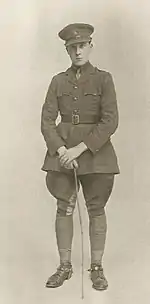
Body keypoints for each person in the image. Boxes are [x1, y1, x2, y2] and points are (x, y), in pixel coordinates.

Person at [41, 23, 120, 291]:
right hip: (62, 153)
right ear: (67, 49)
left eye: (82, 46)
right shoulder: (57, 81)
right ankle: (64, 266)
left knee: (96, 209)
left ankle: (96, 268)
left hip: (96, 152)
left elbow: (110, 121)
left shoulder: (104, 79)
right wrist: (62, 150)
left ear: (90, 46)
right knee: (64, 207)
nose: (77, 51)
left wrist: (80, 148)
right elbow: (47, 121)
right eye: (72, 47)